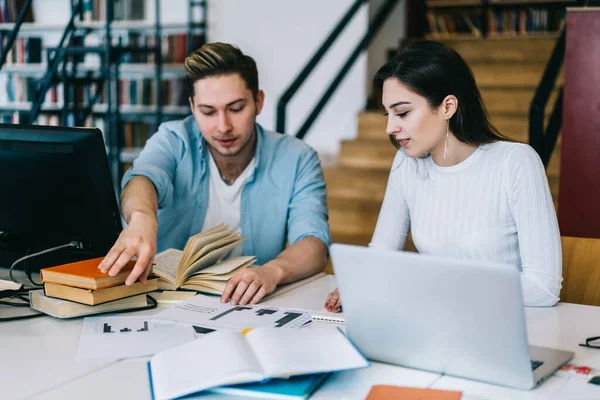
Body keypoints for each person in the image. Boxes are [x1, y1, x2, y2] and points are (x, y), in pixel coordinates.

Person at [325, 40, 562, 311]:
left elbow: (544, 287)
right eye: (388, 114)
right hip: (437, 321)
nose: (390, 127)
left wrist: (435, 287)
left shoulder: (516, 162)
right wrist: (358, 281)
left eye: (402, 112)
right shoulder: (407, 163)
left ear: (448, 107)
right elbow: (382, 253)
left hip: (507, 326)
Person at [98, 42, 331, 305]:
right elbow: (142, 178)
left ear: (258, 101)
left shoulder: (298, 158)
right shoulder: (173, 139)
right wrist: (141, 218)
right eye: (208, 111)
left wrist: (272, 271)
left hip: (250, 305)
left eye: (236, 108)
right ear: (193, 107)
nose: (223, 126)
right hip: (164, 303)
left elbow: (314, 242)